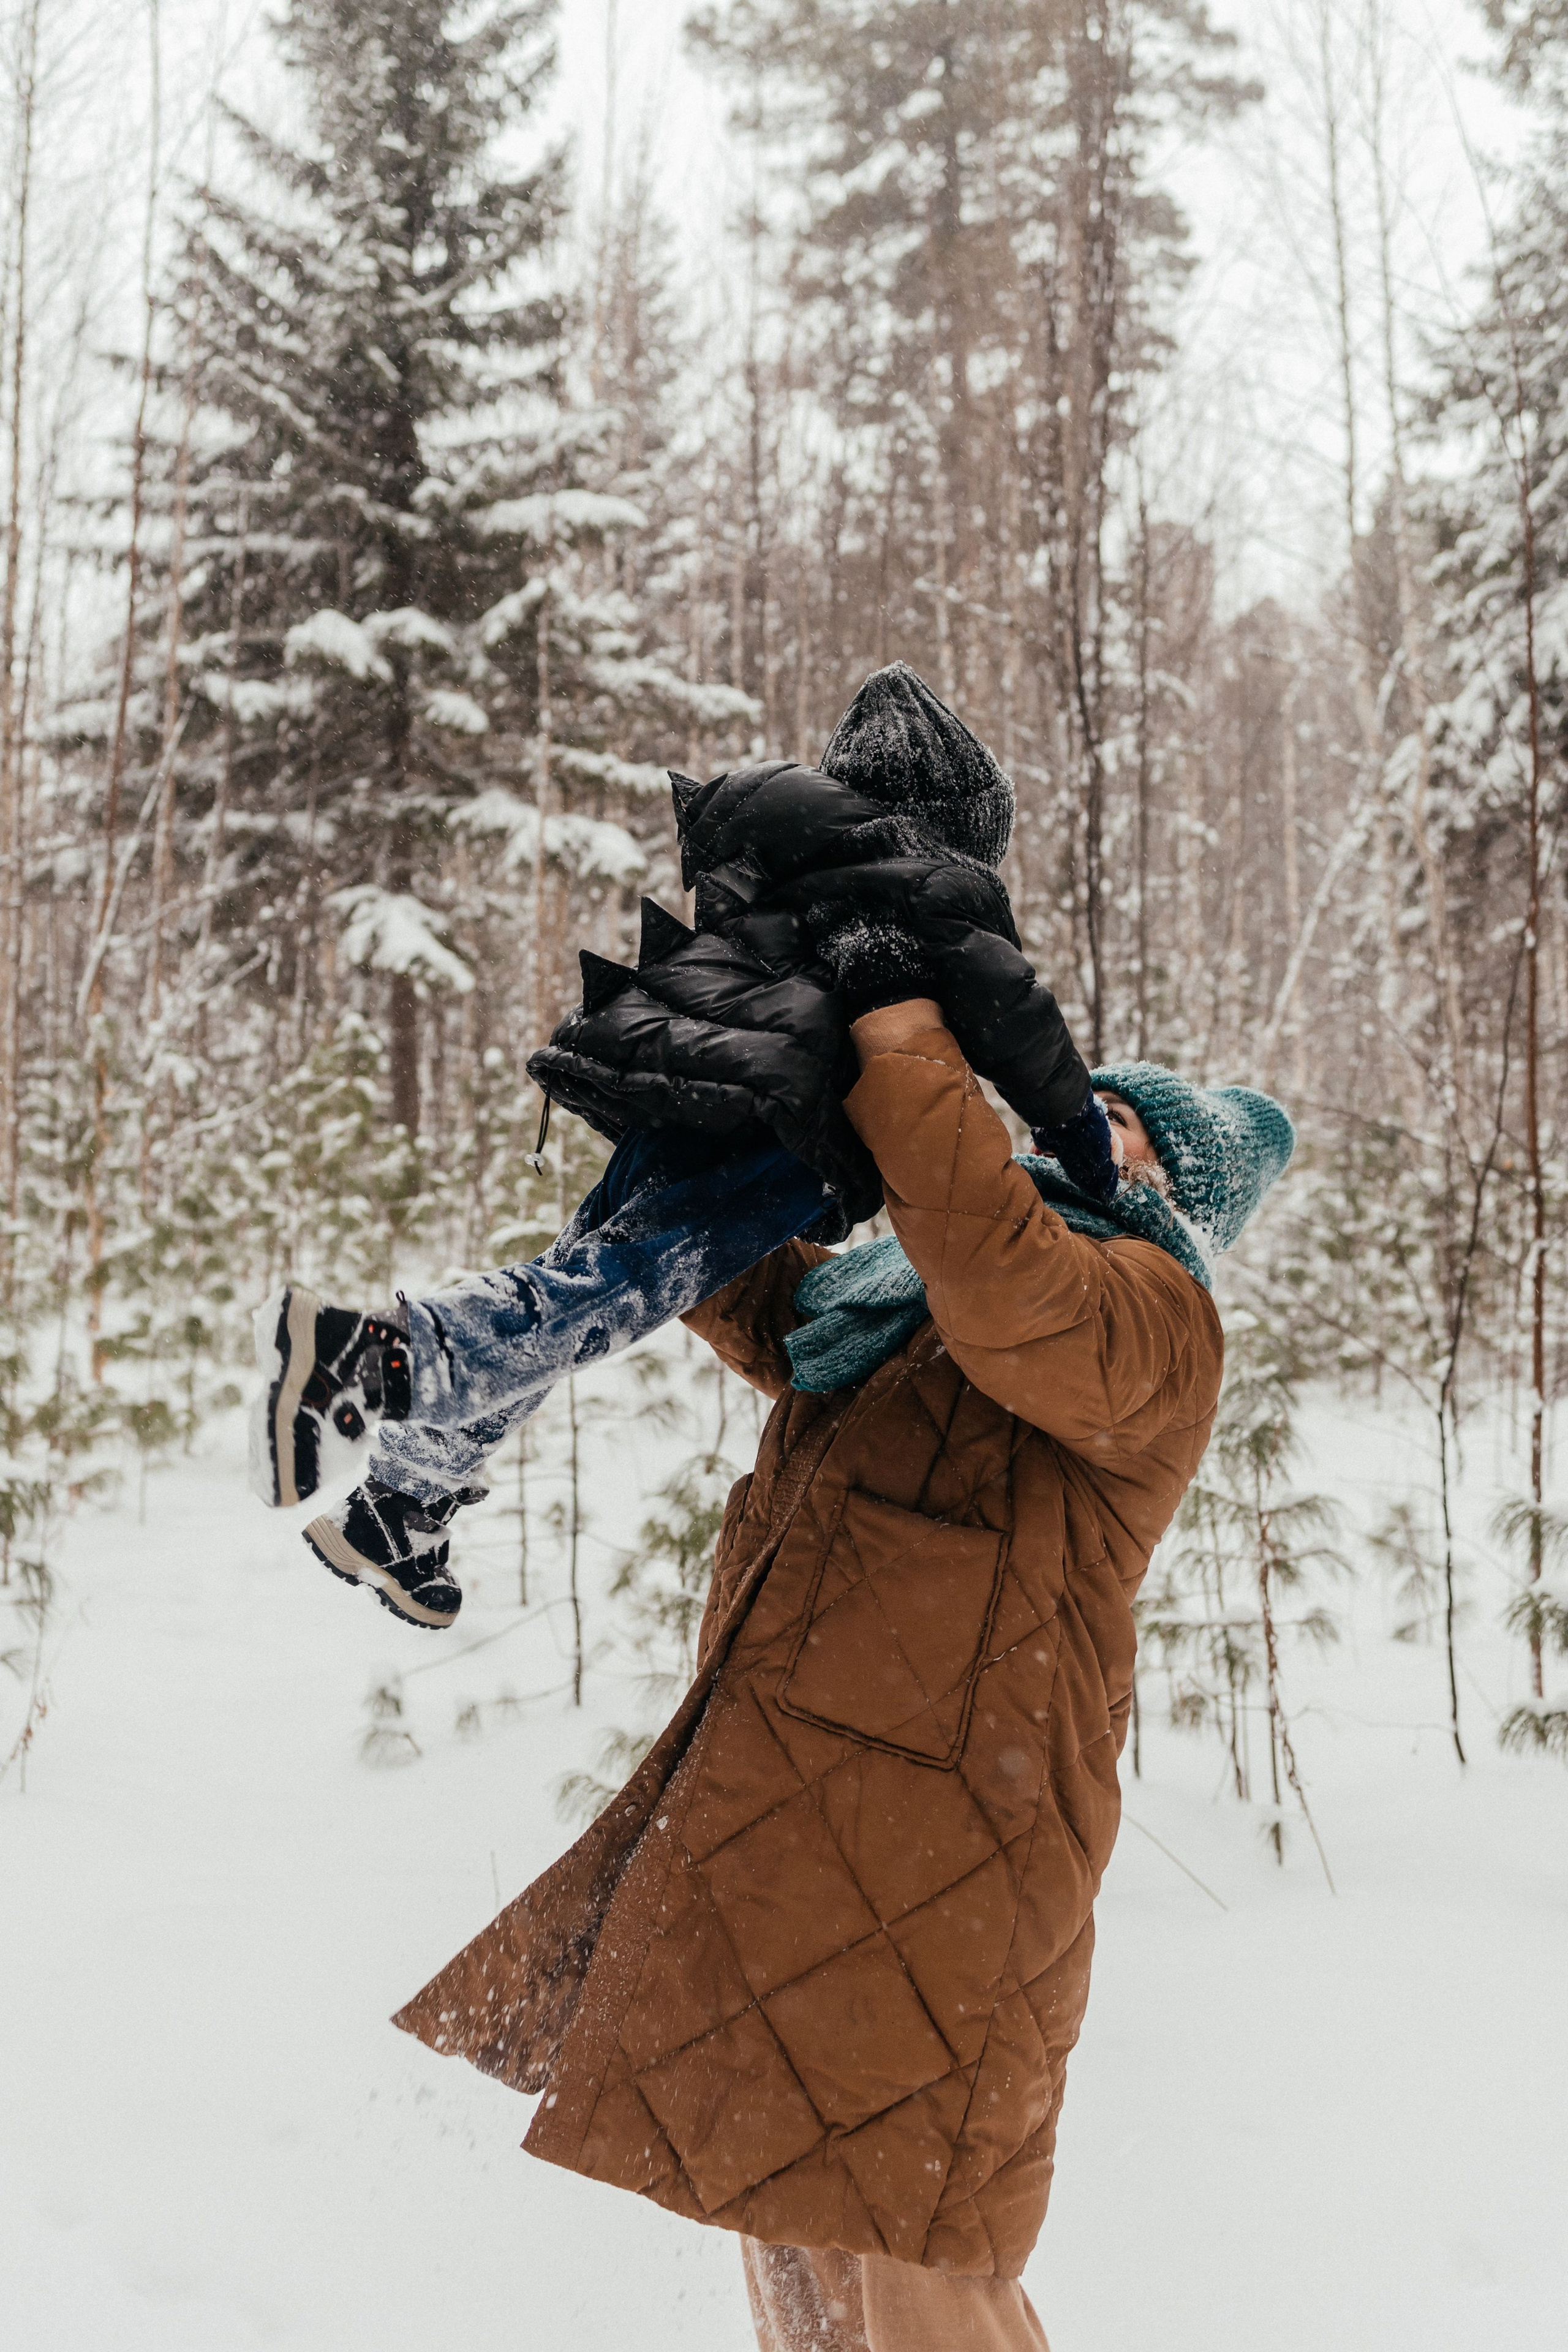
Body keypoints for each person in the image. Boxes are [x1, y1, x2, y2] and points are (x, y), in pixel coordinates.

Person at [388, 989, 1292, 2352]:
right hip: (800, 1832)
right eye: (1083, 1104)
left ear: (1185, 1195)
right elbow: (758, 1290)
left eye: (1120, 1127)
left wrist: (898, 1023)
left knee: (920, 2249)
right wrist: (676, 1123)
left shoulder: (1144, 1323)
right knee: (794, 2214)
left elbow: (992, 1262)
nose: (1077, 1129)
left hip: (955, 1872)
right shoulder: (901, 1305)